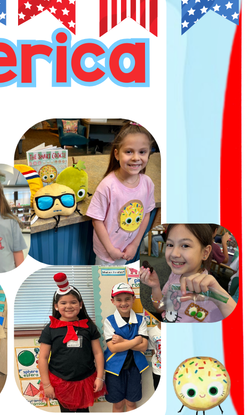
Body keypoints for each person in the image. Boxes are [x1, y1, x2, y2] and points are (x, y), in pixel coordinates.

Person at [88, 122, 156, 265]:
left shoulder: (148, 183)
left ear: (149, 154)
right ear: (117, 154)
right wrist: (110, 249)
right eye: (129, 151)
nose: (136, 157)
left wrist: (134, 245)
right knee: (101, 284)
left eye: (142, 152)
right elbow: (97, 220)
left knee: (117, 282)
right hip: (106, 252)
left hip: (127, 250)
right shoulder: (107, 186)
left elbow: (146, 214)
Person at [141, 224, 237, 322]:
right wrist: (155, 286)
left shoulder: (210, 293)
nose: (174, 253)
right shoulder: (174, 276)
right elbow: (162, 309)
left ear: (205, 253)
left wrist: (221, 299)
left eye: (185, 245)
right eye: (170, 244)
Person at [38, 273, 106, 412]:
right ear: (56, 306)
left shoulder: (89, 326)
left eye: (73, 302)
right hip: (60, 380)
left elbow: (98, 352)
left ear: (80, 304)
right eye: (63, 303)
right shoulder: (50, 329)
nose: (69, 306)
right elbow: (43, 358)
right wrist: (46, 385)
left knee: (83, 411)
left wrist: (100, 377)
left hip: (85, 379)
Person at [103, 283, 149, 412]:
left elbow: (144, 347)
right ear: (113, 301)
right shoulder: (109, 321)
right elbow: (113, 348)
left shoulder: (141, 320)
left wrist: (122, 341)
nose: (123, 303)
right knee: (117, 405)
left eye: (127, 299)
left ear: (133, 299)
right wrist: (135, 341)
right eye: (119, 300)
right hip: (114, 369)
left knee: (131, 404)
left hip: (134, 368)